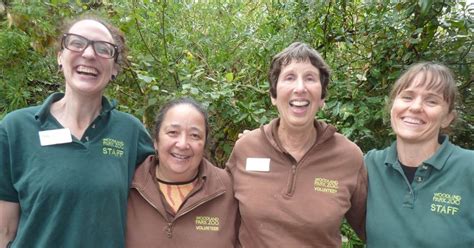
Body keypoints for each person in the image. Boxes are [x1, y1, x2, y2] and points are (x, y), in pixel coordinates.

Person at [0, 16, 154, 247]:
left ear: (114, 69)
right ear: (60, 57)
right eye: (77, 43)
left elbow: (170, 191)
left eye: (103, 49)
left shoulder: (131, 133)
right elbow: (5, 229)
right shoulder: (15, 129)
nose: (89, 54)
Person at [226, 42, 367, 247]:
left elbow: (376, 230)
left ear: (322, 98)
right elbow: (218, 214)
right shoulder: (246, 148)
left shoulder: (348, 156)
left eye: (310, 78)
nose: (300, 88)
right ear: (273, 96)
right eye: (289, 77)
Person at [365, 62, 474, 247]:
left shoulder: (468, 167)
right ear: (392, 107)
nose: (415, 107)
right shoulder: (368, 166)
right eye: (407, 97)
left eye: (431, 101)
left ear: (448, 117)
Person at [126, 98, 239, 247]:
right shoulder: (128, 184)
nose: (182, 144)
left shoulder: (229, 189)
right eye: (173, 132)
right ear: (156, 140)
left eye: (194, 135)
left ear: (204, 144)